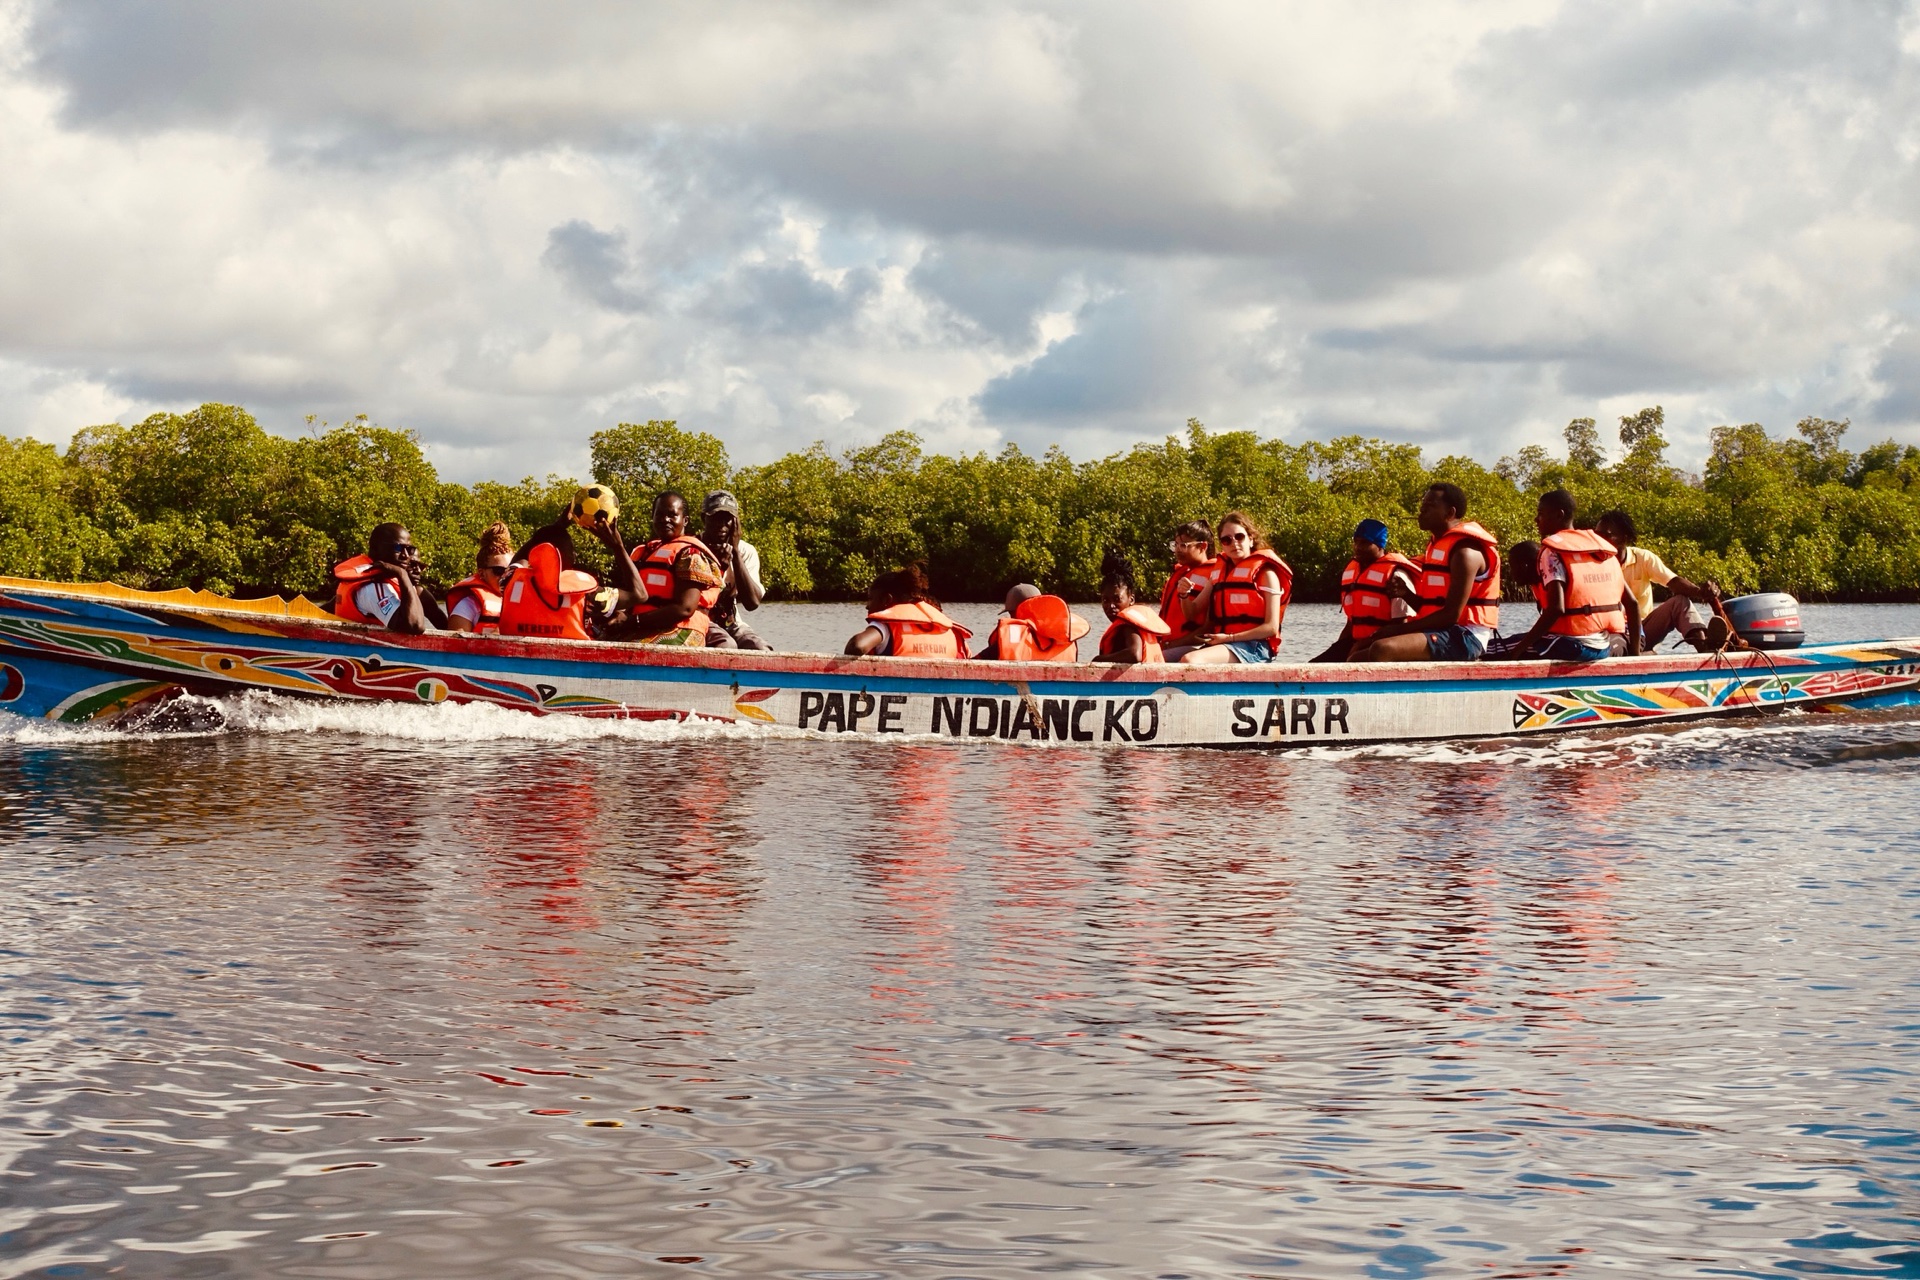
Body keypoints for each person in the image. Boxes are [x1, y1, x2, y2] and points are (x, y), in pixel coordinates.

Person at [1350, 483, 1501, 662]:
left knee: (1382, 649)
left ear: (1449, 513)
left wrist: (1399, 629)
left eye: (1429, 506)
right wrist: (1407, 595)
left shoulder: (1465, 552)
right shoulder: (1436, 546)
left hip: (1466, 637)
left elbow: (1451, 615)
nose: (1422, 510)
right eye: (1422, 505)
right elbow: (1434, 608)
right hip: (1442, 631)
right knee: (1356, 657)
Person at [1493, 490, 1639, 660]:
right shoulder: (1601, 548)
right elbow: (1633, 604)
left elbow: (1557, 608)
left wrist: (1516, 653)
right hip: (1605, 642)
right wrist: (1635, 656)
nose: (1536, 519)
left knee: (1493, 648)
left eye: (1541, 514)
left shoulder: (1551, 552)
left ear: (1559, 515)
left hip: (1575, 645)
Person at [1595, 510, 1726, 652]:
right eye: (1597, 535)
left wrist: (1701, 593)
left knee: (1680, 602)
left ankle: (1704, 648)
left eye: (1606, 535)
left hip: (1642, 631)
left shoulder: (1643, 558)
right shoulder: (1592, 563)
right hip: (1612, 634)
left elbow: (1673, 582)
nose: (1599, 540)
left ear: (1624, 538)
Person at [607, 492, 725, 645]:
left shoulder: (690, 554)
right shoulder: (643, 552)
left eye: (672, 515)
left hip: (681, 629)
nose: (665, 520)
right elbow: (631, 595)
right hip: (643, 626)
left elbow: (685, 608)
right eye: (660, 515)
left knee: (629, 649)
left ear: (685, 520)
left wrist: (632, 621)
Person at [1180, 512, 1292, 664]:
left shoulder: (1267, 574)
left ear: (1250, 540)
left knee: (1190, 660)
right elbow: (1192, 613)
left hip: (1256, 647)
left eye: (1239, 537)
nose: (1234, 543)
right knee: (1161, 658)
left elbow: (1271, 627)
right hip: (1223, 643)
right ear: (1222, 545)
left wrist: (1229, 638)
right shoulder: (1218, 574)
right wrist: (1184, 595)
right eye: (1227, 540)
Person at [1312, 518, 1419, 662]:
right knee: (1314, 666)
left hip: (1386, 645)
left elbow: (1401, 625)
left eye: (1365, 543)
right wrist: (1339, 647)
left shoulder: (1396, 575)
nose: (1358, 547)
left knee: (1353, 660)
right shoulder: (1353, 572)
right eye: (1356, 542)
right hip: (1357, 642)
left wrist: (1363, 644)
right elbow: (1352, 623)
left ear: (1380, 546)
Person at [331, 523, 446, 635]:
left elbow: (447, 628)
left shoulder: (389, 581)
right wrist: (402, 574)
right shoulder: (371, 587)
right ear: (376, 549)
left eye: (409, 549)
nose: (406, 555)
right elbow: (415, 626)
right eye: (398, 548)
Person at [846, 564, 973, 657]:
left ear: (887, 600)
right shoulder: (950, 630)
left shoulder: (886, 626)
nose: (867, 606)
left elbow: (858, 646)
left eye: (871, 599)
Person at [699, 491, 772, 651]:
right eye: (716, 518)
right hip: (699, 620)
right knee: (727, 645)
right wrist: (719, 567)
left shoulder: (746, 551)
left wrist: (736, 553)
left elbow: (752, 603)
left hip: (731, 622)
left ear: (736, 522)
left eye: (727, 519)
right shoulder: (693, 548)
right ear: (704, 518)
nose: (722, 525)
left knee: (760, 648)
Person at [978, 583, 1091, 662]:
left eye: (1011, 613)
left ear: (1015, 612)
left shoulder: (1008, 639)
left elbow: (974, 664)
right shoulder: (1066, 636)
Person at [1092, 550, 1170, 664]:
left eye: (1117, 599)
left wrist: (1098, 660)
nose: (1111, 606)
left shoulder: (1128, 625)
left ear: (1131, 599)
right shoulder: (1132, 623)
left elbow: (1134, 654)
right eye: (1105, 600)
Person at [1157, 521, 1219, 661]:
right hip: (1170, 644)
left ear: (1203, 546)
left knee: (1153, 659)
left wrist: (1171, 645)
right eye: (1176, 545)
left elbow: (1208, 628)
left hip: (1196, 646)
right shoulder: (1181, 573)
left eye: (1184, 545)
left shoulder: (1214, 575)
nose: (1178, 550)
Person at [445, 521, 513, 635]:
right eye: (498, 571)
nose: (505, 576)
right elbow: (455, 643)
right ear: (482, 573)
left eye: (510, 571)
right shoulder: (468, 605)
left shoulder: (520, 603)